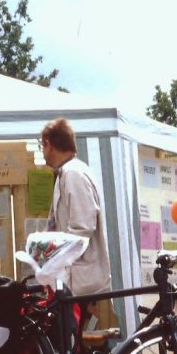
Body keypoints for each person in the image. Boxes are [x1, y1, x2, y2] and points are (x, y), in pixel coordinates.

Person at [41, 118, 111, 296]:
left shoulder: (73, 173)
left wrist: (56, 257)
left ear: (48, 144)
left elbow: (83, 227)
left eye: (42, 146)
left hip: (81, 282)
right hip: (76, 280)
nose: (43, 152)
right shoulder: (68, 172)